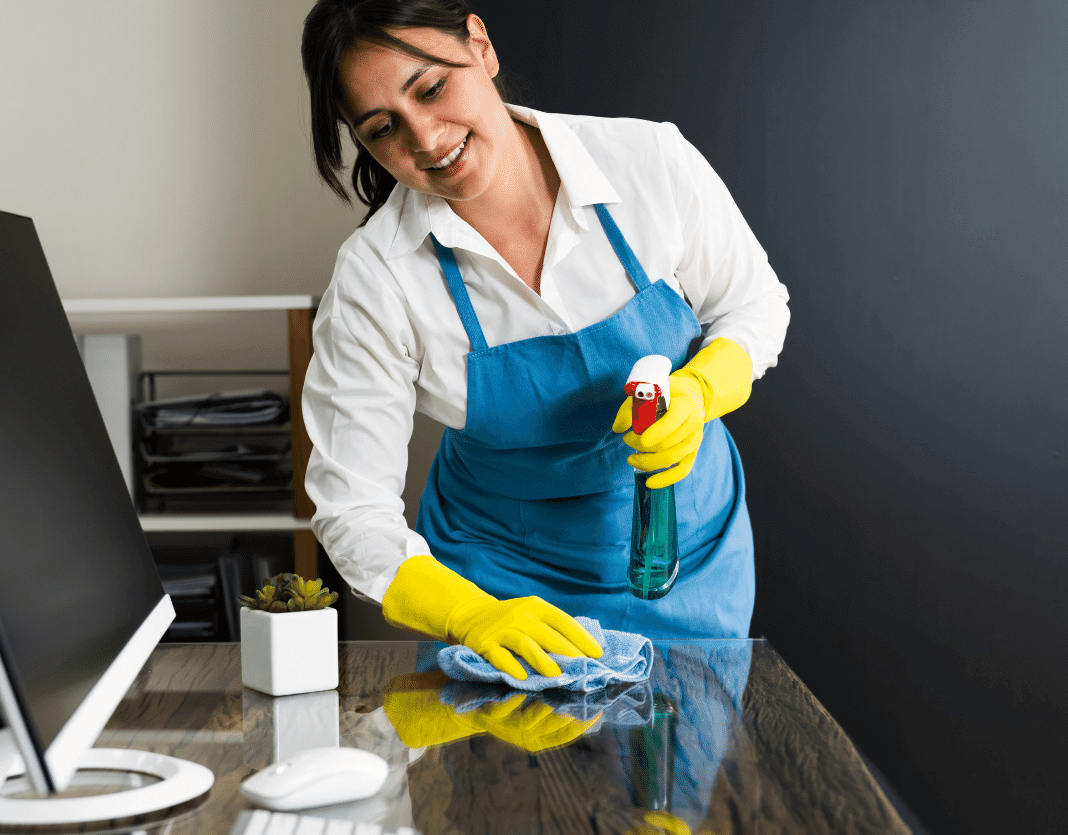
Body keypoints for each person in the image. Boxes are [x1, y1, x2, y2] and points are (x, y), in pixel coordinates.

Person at [300, 0, 789, 678]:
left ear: (480, 45)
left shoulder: (646, 163)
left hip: (683, 565)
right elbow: (351, 509)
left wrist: (701, 391)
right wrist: (469, 614)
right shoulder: (378, 278)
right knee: (501, 779)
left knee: (678, 774)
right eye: (384, 129)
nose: (425, 138)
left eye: (432, 88)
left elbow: (753, 305)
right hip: (499, 584)